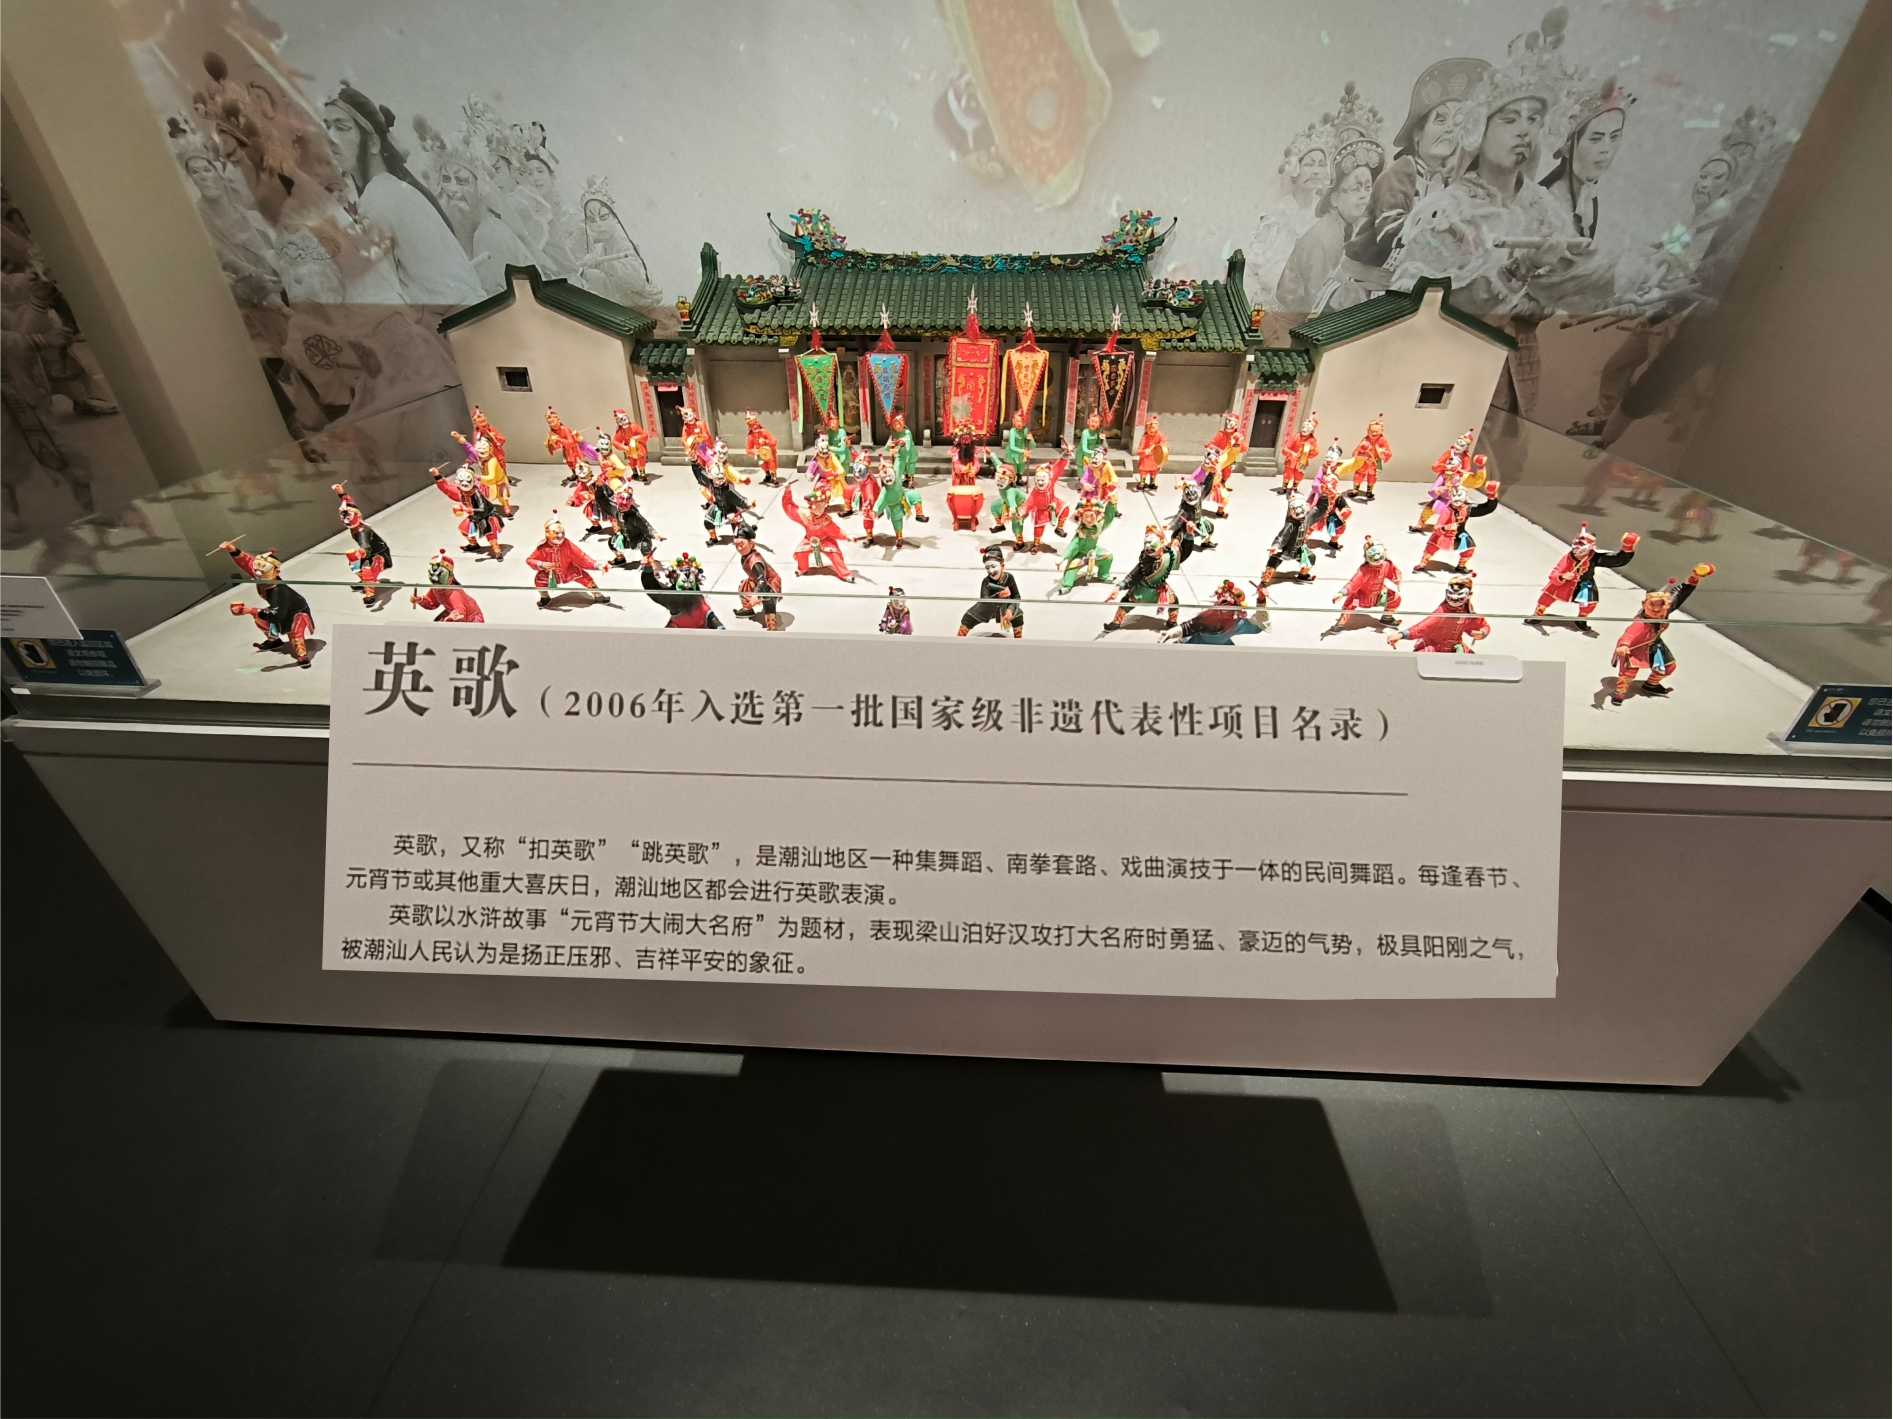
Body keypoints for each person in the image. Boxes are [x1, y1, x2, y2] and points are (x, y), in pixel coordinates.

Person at [1315, 57, 1489, 314]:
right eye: (1440, 120)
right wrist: (1446, 228)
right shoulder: (1402, 171)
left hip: (1404, 292)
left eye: (1458, 123)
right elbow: (1391, 230)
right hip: (1361, 289)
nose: (1450, 130)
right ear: (1418, 134)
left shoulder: (1453, 183)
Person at [322, 84, 482, 306]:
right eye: (327, 127)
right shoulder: (394, 188)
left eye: (341, 127)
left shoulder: (378, 198)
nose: (330, 137)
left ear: (373, 142)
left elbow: (385, 295)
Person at [1277, 109, 1385, 313]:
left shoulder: (1355, 229)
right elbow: (1319, 303)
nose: (1364, 195)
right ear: (1334, 199)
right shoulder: (1324, 236)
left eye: (1367, 188)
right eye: (1355, 188)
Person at [428, 144, 534, 290]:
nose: (451, 189)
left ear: (480, 187)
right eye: (446, 179)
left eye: (462, 180)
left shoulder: (490, 233)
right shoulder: (458, 233)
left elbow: (494, 297)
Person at [1611, 566, 1714, 704]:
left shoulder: (1665, 610)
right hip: (1635, 647)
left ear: (1666, 605)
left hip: (1654, 644)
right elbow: (1629, 634)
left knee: (1668, 666)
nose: (1656, 609)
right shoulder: (1640, 623)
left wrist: (1694, 578)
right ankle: (1619, 693)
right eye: (1652, 605)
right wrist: (1624, 645)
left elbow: (1679, 594)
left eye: (1660, 605)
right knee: (1628, 674)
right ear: (1644, 604)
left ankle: (1651, 685)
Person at [575, 175, 660, 309]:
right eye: (592, 220)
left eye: (603, 217)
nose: (598, 224)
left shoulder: (622, 241)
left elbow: (637, 281)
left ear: (615, 217)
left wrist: (599, 263)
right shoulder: (604, 245)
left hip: (638, 302)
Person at [958, 547, 1024, 638]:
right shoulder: (986, 581)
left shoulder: (1009, 578)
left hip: (1005, 607)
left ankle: (1018, 639)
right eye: (987, 568)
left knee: (1018, 615)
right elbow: (984, 601)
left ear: (1002, 565)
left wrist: (1010, 610)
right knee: (968, 618)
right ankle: (959, 639)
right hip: (986, 609)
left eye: (993, 566)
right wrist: (999, 595)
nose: (990, 571)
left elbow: (1016, 596)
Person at [411, 550, 485, 622]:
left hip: (472, 619)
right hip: (452, 611)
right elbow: (432, 603)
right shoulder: (436, 588)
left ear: (450, 577)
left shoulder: (454, 592)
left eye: (440, 574)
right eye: (431, 574)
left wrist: (452, 618)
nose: (435, 578)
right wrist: (420, 599)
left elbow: (461, 612)